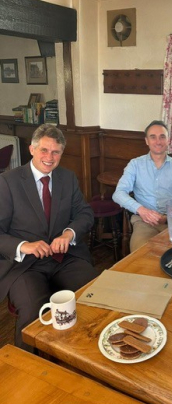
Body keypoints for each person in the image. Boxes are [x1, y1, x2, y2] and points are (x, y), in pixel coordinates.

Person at [0, 124, 98, 351]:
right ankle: (26, 367)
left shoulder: (67, 178)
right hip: (24, 266)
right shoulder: (8, 182)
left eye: (56, 152)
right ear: (32, 149)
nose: (49, 157)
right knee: (34, 308)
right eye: (44, 150)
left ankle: (84, 352)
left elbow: (84, 213)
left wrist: (69, 233)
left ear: (61, 153)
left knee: (92, 294)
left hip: (65, 257)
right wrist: (23, 246)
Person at [113, 120, 172, 252]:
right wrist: (142, 210)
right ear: (146, 141)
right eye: (153, 137)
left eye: (162, 137)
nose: (158, 141)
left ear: (168, 140)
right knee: (141, 255)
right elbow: (118, 193)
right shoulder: (135, 164)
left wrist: (167, 218)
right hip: (143, 222)